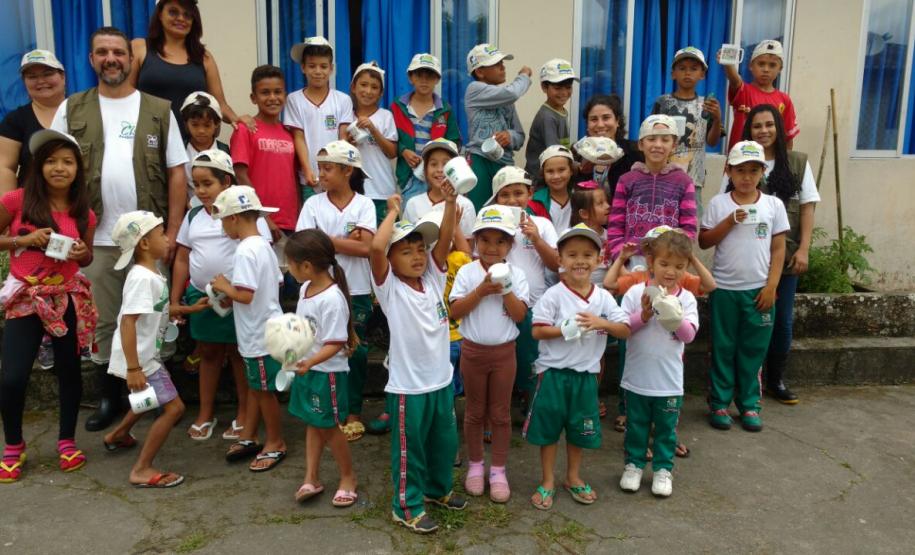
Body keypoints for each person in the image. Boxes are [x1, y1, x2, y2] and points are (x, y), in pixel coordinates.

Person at [50, 26, 188, 433]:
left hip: (148, 242)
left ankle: (158, 400)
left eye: (118, 52)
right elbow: (54, 172)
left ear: (131, 60)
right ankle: (113, 399)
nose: (111, 59)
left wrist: (175, 231)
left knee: (154, 323)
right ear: (91, 60)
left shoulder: (158, 109)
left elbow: (177, 173)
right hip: (95, 240)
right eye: (102, 52)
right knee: (106, 324)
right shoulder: (72, 108)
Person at [0, 130, 97, 483]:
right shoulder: (16, 201)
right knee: (12, 377)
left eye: (68, 162)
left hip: (66, 297)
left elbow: (85, 258)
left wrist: (82, 253)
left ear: (78, 169)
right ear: (39, 167)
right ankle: (13, 445)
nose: (60, 168)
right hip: (26, 298)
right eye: (52, 161)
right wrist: (23, 239)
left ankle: (67, 441)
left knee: (69, 372)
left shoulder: (84, 211)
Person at [369, 189, 467, 534]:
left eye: (420, 249)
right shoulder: (390, 288)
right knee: (410, 451)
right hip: (408, 388)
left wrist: (451, 204)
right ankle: (406, 506)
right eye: (406, 251)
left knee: (444, 443)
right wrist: (393, 211)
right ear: (393, 259)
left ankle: (438, 490)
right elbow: (374, 248)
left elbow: (442, 241)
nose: (417, 257)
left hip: (441, 380)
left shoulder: (433, 278)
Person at [524, 224, 630, 510]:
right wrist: (565, 329)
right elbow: (537, 331)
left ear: (599, 259)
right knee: (548, 430)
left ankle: (572, 476)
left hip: (586, 377)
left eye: (587, 254)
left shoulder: (603, 298)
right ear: (560, 260)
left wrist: (601, 323)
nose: (579, 261)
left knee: (578, 430)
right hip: (553, 375)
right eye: (571, 254)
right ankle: (547, 480)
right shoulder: (554, 295)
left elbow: (624, 329)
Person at [719, 104, 819, 404]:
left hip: (783, 256)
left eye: (769, 124)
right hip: (747, 262)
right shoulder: (738, 164)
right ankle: (741, 384)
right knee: (746, 326)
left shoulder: (797, 162)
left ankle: (775, 379)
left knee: (781, 321)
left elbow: (808, 206)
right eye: (757, 125)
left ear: (779, 127)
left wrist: (803, 248)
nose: (763, 131)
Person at [171, 151, 272, 441]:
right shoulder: (193, 216)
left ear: (226, 181)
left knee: (240, 356)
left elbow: (259, 255)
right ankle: (205, 413)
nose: (201, 191)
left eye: (207, 184)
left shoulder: (246, 213)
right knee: (208, 353)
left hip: (237, 298)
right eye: (196, 184)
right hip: (202, 297)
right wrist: (177, 300)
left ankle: (244, 413)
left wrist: (235, 290)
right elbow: (181, 258)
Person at [699, 141, 788, 432]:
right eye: (740, 171)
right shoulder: (719, 204)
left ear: (763, 171)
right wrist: (728, 222)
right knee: (723, 347)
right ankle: (719, 403)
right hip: (724, 289)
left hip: (758, 290)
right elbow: (704, 241)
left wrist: (771, 286)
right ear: (728, 171)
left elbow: (778, 248)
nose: (746, 177)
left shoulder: (773, 205)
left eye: (753, 170)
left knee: (753, 349)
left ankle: (749, 405)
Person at [449, 206, 530, 503]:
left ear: (510, 245)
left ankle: (497, 470)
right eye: (485, 240)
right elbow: (455, 311)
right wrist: (481, 291)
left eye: (500, 241)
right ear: (474, 242)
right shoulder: (468, 273)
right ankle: (475, 466)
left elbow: (520, 315)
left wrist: (505, 288)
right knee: (473, 412)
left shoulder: (518, 275)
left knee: (500, 413)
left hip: (504, 353)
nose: (492, 248)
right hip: (472, 352)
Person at [295, 141, 375, 440]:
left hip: (356, 289)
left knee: (355, 350)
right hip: (318, 291)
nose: (322, 174)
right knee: (322, 349)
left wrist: (325, 239)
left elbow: (368, 248)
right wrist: (345, 241)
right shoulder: (313, 204)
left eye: (328, 168)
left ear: (347, 170)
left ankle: (352, 411)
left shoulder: (364, 205)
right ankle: (329, 410)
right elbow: (305, 246)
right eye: (321, 168)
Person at [102, 211, 186, 488]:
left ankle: (119, 434)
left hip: (142, 355)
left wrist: (191, 308)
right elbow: (128, 322)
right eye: (161, 234)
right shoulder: (142, 278)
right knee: (174, 409)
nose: (167, 239)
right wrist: (134, 368)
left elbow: (157, 308)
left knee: (147, 397)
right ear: (145, 244)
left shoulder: (151, 273)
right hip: (139, 358)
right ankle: (142, 468)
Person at [210, 186, 286, 471]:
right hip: (265, 327)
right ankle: (250, 434)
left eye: (222, 220)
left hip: (258, 334)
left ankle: (276, 442)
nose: (222, 227)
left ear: (233, 218)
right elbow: (275, 282)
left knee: (264, 390)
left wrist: (223, 286)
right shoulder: (263, 245)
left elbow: (245, 295)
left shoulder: (244, 250)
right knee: (257, 386)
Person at [618, 230, 699, 497]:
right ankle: (634, 465)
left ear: (686, 266)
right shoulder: (634, 292)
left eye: (679, 266)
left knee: (665, 430)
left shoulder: (686, 298)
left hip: (669, 383)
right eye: (664, 264)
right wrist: (643, 314)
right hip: (637, 378)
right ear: (651, 262)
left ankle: (663, 470)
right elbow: (624, 328)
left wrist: (672, 316)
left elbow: (688, 335)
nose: (671, 271)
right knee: (636, 425)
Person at [285, 229, 359, 508]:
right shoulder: (306, 289)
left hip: (326, 373)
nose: (288, 269)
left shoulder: (331, 299)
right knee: (313, 421)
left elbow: (335, 342)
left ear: (305, 266)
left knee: (328, 426)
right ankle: (311, 476)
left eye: (290, 264)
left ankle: (348, 477)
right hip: (308, 368)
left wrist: (311, 361)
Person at [487, 166, 560, 416]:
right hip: (498, 305)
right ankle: (500, 409)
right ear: (496, 198)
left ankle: (531, 405)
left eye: (518, 193)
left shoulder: (542, 224)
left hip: (534, 305)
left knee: (530, 358)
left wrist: (537, 239)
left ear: (530, 193)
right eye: (504, 195)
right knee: (502, 360)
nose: (511, 200)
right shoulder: (490, 224)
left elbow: (557, 263)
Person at [131, 0, 250, 138]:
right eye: (173, 12)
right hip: (147, 142)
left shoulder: (204, 57)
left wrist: (237, 119)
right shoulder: (139, 48)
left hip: (191, 146)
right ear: (160, 15)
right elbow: (124, 95)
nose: (181, 18)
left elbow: (220, 105)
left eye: (187, 15)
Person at [606, 114, 697, 265]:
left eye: (665, 140)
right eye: (651, 139)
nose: (658, 145)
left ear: (674, 145)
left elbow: (689, 228)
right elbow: (615, 225)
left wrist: (678, 257)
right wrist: (619, 259)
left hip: (669, 260)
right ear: (641, 144)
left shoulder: (684, 181)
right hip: (632, 260)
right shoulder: (626, 180)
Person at [651, 46, 722, 216]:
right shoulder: (663, 102)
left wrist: (718, 118)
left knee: (689, 225)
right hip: (663, 175)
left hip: (693, 178)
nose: (687, 73)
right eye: (682, 68)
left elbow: (712, 142)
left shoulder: (707, 104)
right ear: (673, 74)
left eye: (694, 68)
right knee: (661, 220)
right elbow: (651, 136)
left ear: (702, 74)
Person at [231, 65, 298, 239]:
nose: (273, 98)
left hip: (290, 222)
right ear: (254, 98)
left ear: (285, 95)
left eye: (278, 92)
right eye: (265, 92)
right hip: (259, 221)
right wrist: (264, 217)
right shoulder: (245, 129)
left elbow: (293, 178)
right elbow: (241, 176)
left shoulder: (289, 133)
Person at [464, 44, 532, 210]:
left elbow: (520, 136)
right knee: (479, 210)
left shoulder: (505, 100)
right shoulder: (474, 89)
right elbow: (512, 93)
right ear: (480, 72)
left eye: (502, 63)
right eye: (496, 64)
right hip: (480, 159)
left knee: (508, 211)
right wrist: (523, 77)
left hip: (504, 163)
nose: (503, 67)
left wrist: (510, 136)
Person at [284, 36, 354, 198]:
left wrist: (338, 173)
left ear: (331, 68)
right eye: (312, 66)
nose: (317, 71)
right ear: (303, 68)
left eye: (323, 66)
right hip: (309, 178)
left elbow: (342, 139)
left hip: (337, 178)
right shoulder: (294, 100)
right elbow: (298, 138)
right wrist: (308, 170)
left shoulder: (343, 100)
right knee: (311, 223)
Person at [391, 53, 461, 204]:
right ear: (410, 78)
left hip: (439, 176)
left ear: (437, 79)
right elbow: (390, 140)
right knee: (414, 220)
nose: (424, 80)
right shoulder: (398, 107)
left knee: (439, 218)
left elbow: (455, 142)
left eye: (429, 76)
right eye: (419, 75)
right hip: (410, 177)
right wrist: (403, 151)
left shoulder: (445, 109)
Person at [0, 50, 67, 193]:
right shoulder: (15, 120)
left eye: (47, 74)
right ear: (24, 82)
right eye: (32, 76)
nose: (41, 81)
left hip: (82, 205)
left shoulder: (83, 111)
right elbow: (4, 168)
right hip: (33, 208)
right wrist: (7, 210)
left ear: (62, 76)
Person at [720, 39, 799, 151]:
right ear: (751, 66)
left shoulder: (784, 100)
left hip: (771, 164)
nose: (766, 69)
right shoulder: (744, 91)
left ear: (780, 69)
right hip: (740, 164)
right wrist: (728, 63)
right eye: (761, 64)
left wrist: (785, 165)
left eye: (772, 65)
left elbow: (788, 138)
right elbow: (735, 80)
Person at [348, 62, 398, 225]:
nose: (368, 91)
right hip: (353, 191)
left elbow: (392, 152)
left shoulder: (385, 116)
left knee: (385, 240)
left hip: (382, 190)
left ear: (381, 93)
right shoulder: (346, 116)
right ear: (353, 87)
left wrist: (373, 130)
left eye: (374, 87)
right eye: (363, 85)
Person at [402, 138, 476, 237]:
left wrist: (454, 227)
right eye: (433, 164)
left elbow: (467, 250)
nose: (440, 170)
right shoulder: (413, 204)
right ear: (425, 169)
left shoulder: (465, 205)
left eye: (446, 164)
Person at [574, 94, 643, 197]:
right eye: (594, 119)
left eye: (606, 118)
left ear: (617, 121)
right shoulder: (578, 154)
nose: (600, 125)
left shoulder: (635, 153)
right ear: (587, 125)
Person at [524, 59, 577, 178]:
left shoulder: (561, 110)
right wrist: (577, 166)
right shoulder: (547, 117)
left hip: (553, 173)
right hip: (541, 177)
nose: (564, 93)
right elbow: (554, 152)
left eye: (568, 87)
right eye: (558, 88)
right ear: (544, 87)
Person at [179, 91, 228, 208]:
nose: (201, 130)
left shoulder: (224, 150)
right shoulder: (181, 151)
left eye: (207, 125)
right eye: (195, 125)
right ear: (186, 123)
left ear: (216, 124)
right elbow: (178, 186)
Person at [569, 181, 611, 285]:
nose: (608, 206)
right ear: (584, 213)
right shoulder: (573, 237)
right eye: (600, 203)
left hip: (606, 291)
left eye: (606, 201)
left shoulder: (610, 235)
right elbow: (564, 272)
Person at [528, 145, 576, 234]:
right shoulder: (534, 203)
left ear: (571, 171)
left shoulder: (579, 199)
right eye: (550, 171)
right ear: (543, 174)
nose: (556, 176)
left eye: (561, 170)